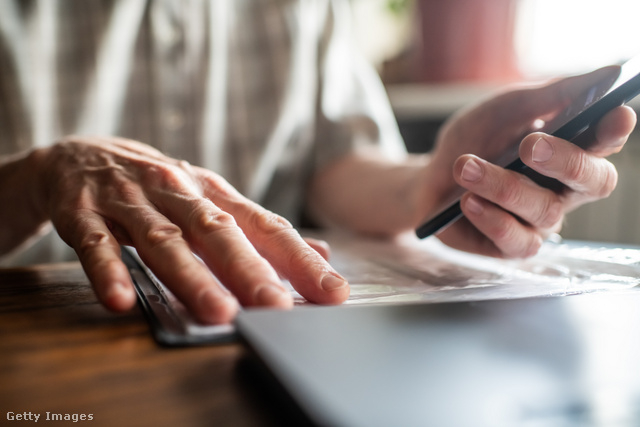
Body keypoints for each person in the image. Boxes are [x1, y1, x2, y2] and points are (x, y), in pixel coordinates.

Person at [0, 1, 636, 324]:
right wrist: (35, 179)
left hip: (263, 328)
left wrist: (430, 182)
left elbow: (333, 162)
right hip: (45, 326)